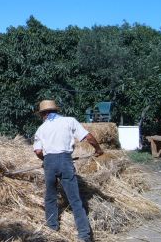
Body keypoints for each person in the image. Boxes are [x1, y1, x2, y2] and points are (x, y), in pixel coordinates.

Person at [33, 100, 103, 242]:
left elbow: (38, 150)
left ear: (43, 114)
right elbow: (88, 137)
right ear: (55, 111)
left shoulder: (41, 129)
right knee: (75, 200)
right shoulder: (69, 121)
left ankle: (52, 228)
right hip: (65, 161)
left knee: (51, 197)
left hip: (49, 162)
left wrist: (46, 161)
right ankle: (84, 235)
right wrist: (98, 149)